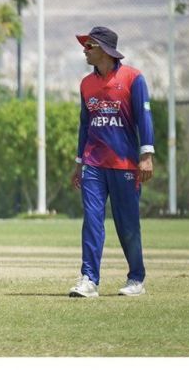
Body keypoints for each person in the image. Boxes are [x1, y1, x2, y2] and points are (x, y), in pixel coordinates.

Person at [70, 26, 154, 298]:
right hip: (93, 164)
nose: (85, 50)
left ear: (105, 49)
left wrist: (146, 155)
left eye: (89, 46)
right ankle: (88, 279)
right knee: (92, 220)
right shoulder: (86, 83)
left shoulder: (133, 78)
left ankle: (136, 278)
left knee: (127, 224)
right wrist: (79, 162)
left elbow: (145, 119)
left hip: (125, 165)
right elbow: (85, 125)